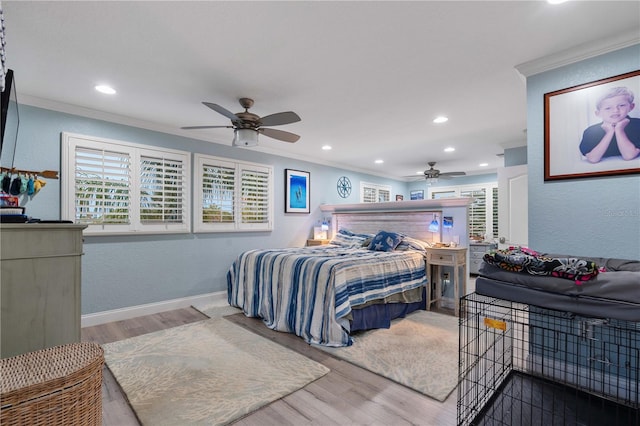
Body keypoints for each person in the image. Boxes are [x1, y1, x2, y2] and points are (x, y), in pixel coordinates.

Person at [579, 86, 640, 163]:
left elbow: (629, 156)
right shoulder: (590, 131)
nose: (615, 110)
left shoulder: (638, 125)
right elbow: (593, 159)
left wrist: (619, 130)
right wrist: (609, 132)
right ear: (598, 113)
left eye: (621, 105)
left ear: (631, 107)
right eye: (608, 108)